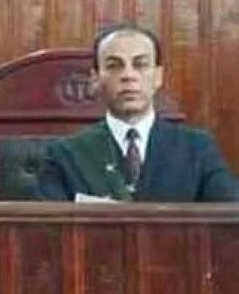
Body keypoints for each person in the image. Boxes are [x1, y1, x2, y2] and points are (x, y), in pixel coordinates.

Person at [38, 23, 238, 202]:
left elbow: (228, 219)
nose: (128, 75)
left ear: (158, 76)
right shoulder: (65, 154)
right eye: (114, 66)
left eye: (140, 65)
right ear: (95, 79)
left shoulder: (198, 148)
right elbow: (49, 228)